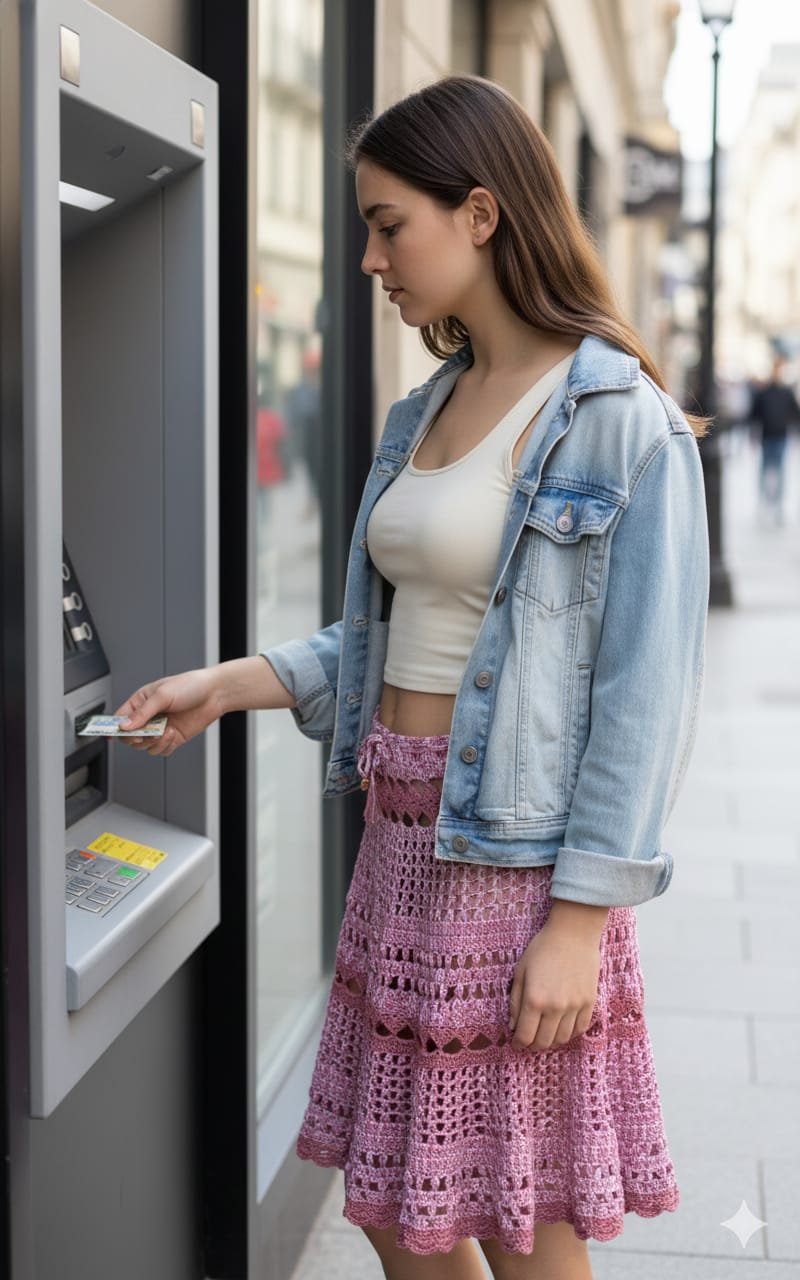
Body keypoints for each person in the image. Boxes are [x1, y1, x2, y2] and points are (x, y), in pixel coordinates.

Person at [115, 76, 709, 1280]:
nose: (373, 257)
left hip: (515, 863)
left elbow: (642, 695)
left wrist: (580, 920)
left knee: (510, 1210)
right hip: (399, 843)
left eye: (390, 225)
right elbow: (399, 640)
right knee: (393, 1198)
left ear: (480, 214)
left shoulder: (618, 420)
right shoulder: (423, 409)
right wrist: (227, 682)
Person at [748, 356, 800, 522]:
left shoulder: (787, 392)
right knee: (764, 472)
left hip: (781, 437)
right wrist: (752, 434)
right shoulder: (764, 392)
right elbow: (755, 414)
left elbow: (795, 414)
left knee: (780, 472)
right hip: (766, 437)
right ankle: (763, 503)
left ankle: (778, 506)